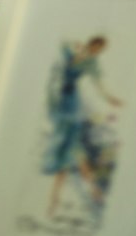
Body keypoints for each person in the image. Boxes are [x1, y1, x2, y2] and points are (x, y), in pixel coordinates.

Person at [44, 36, 122, 219]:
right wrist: (77, 48)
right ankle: (60, 199)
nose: (96, 51)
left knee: (71, 149)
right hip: (58, 102)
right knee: (65, 151)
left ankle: (84, 193)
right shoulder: (72, 49)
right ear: (91, 43)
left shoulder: (92, 63)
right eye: (96, 47)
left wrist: (109, 97)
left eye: (100, 50)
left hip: (71, 104)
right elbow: (59, 48)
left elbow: (98, 84)